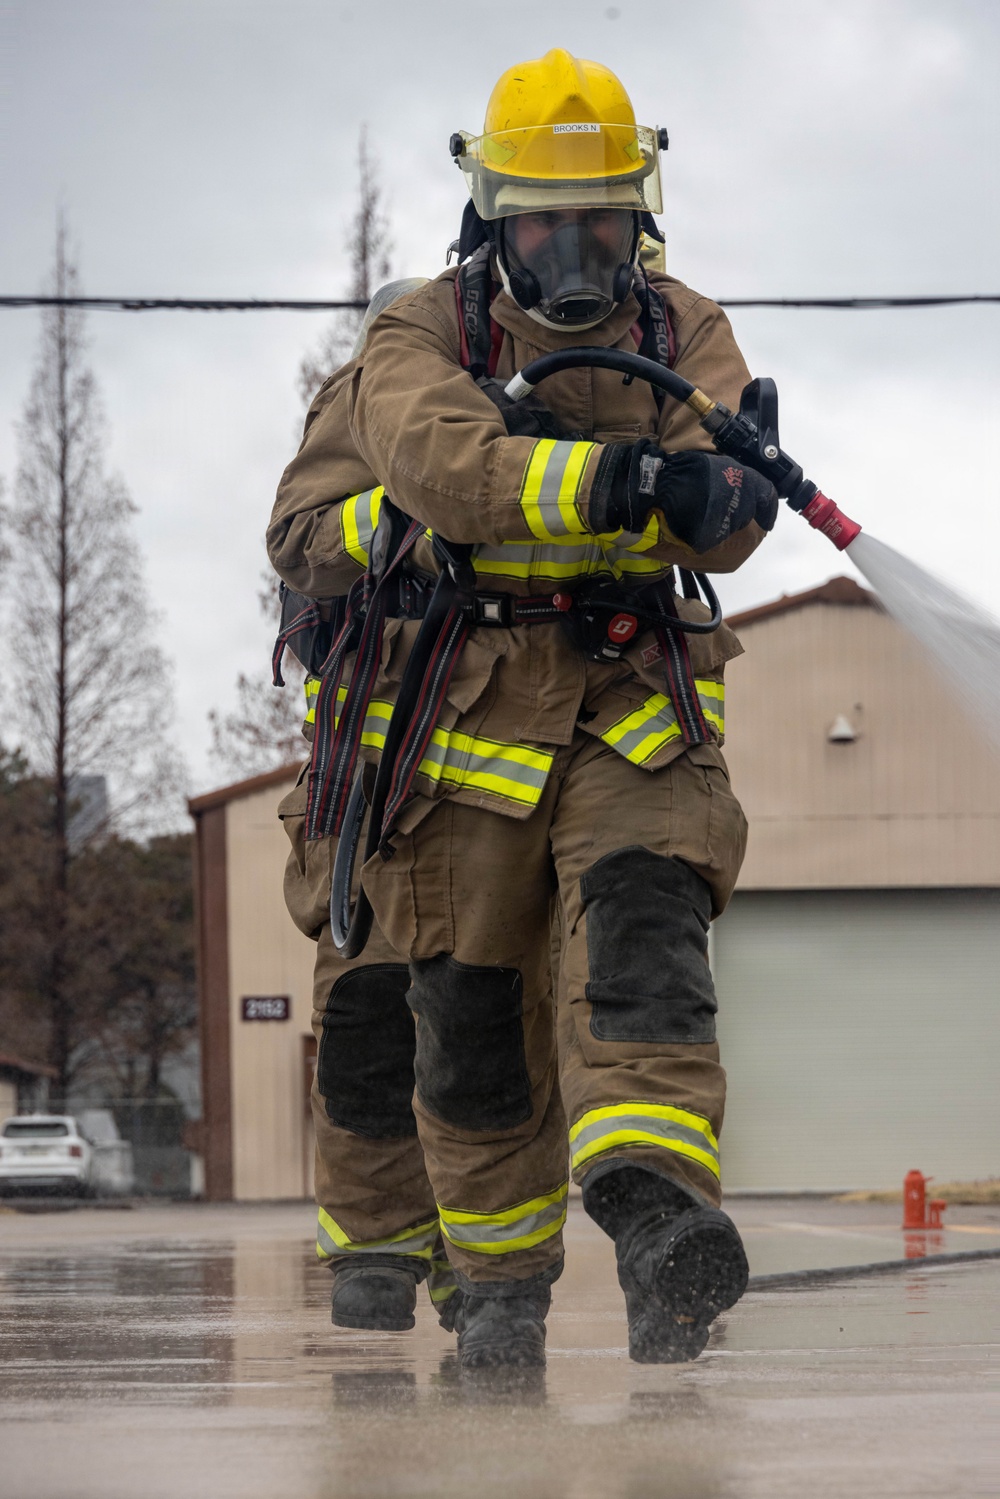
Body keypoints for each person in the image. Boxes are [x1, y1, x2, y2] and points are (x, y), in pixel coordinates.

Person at [268, 48, 777, 1369]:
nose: (576, 241)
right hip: (460, 732)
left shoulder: (683, 329)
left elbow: (712, 488)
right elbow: (443, 467)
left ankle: (663, 1222)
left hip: (630, 703)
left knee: (648, 932)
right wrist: (610, 488)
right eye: (548, 214)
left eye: (601, 211)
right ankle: (497, 1299)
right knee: (472, 1029)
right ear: (494, 213)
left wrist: (727, 505)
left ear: (639, 210)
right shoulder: (416, 335)